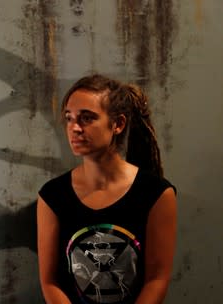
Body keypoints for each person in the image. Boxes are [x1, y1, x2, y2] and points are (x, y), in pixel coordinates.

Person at [37, 74, 177, 304]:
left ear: (118, 124)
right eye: (69, 118)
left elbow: (157, 280)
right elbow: (50, 282)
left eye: (87, 118)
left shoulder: (156, 194)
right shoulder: (52, 196)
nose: (74, 128)